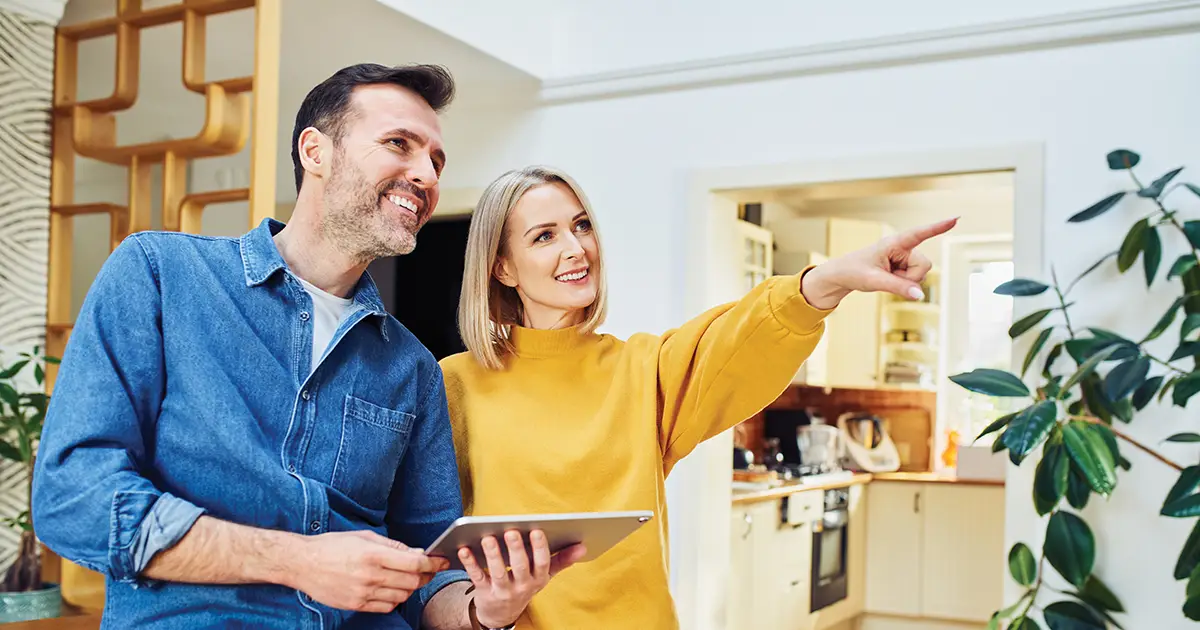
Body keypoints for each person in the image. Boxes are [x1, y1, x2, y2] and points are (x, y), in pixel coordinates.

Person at [32, 64, 580, 630]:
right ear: (315, 152)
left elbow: (429, 569)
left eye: (436, 162)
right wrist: (297, 561)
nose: (425, 174)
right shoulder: (160, 275)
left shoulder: (412, 367)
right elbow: (75, 500)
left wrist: (484, 611)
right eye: (400, 144)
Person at [439, 165, 956, 628]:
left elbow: (737, 336)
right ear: (502, 267)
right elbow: (429, 546)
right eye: (544, 236)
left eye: (582, 225)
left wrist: (828, 281)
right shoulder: (452, 385)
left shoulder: (642, 370)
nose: (576, 249)